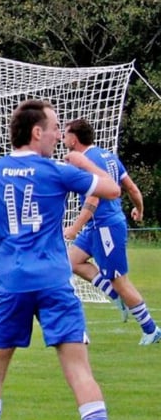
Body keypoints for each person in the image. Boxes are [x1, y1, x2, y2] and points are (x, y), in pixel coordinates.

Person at [0, 100, 121, 420]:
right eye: (55, 128)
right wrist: (83, 160)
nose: (59, 135)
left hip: (11, 285)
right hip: (55, 282)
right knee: (79, 370)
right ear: (37, 132)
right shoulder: (56, 171)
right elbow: (111, 189)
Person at [63, 118, 161, 345]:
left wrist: (74, 228)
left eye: (65, 134)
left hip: (106, 226)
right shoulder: (108, 156)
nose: (62, 138)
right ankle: (115, 295)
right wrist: (139, 208)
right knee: (71, 262)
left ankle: (151, 329)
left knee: (120, 281)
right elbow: (132, 188)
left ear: (74, 139)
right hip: (96, 226)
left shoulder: (86, 161)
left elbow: (93, 199)